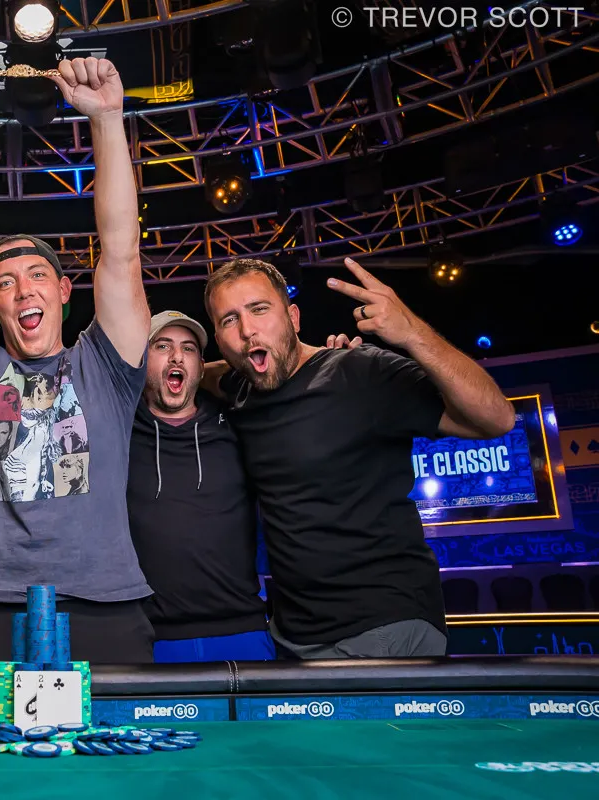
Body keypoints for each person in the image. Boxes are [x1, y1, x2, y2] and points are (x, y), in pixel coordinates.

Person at [0, 56, 155, 664]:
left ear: (64, 290)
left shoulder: (106, 365)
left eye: (37, 276)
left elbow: (122, 253)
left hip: (103, 602)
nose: (24, 290)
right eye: (5, 283)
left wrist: (107, 119)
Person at [204, 257, 516, 659]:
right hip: (294, 635)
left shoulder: (361, 372)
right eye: (229, 320)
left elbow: (496, 418)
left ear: (293, 318)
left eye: (259, 309)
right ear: (219, 338)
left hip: (383, 626)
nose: (247, 330)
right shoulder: (240, 388)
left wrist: (412, 333)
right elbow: (198, 372)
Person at [127, 310, 275, 663]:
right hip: (150, 636)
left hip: (241, 629)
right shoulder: (118, 426)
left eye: (189, 349)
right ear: (142, 360)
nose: (177, 357)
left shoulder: (239, 422)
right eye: (162, 346)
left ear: (201, 365)